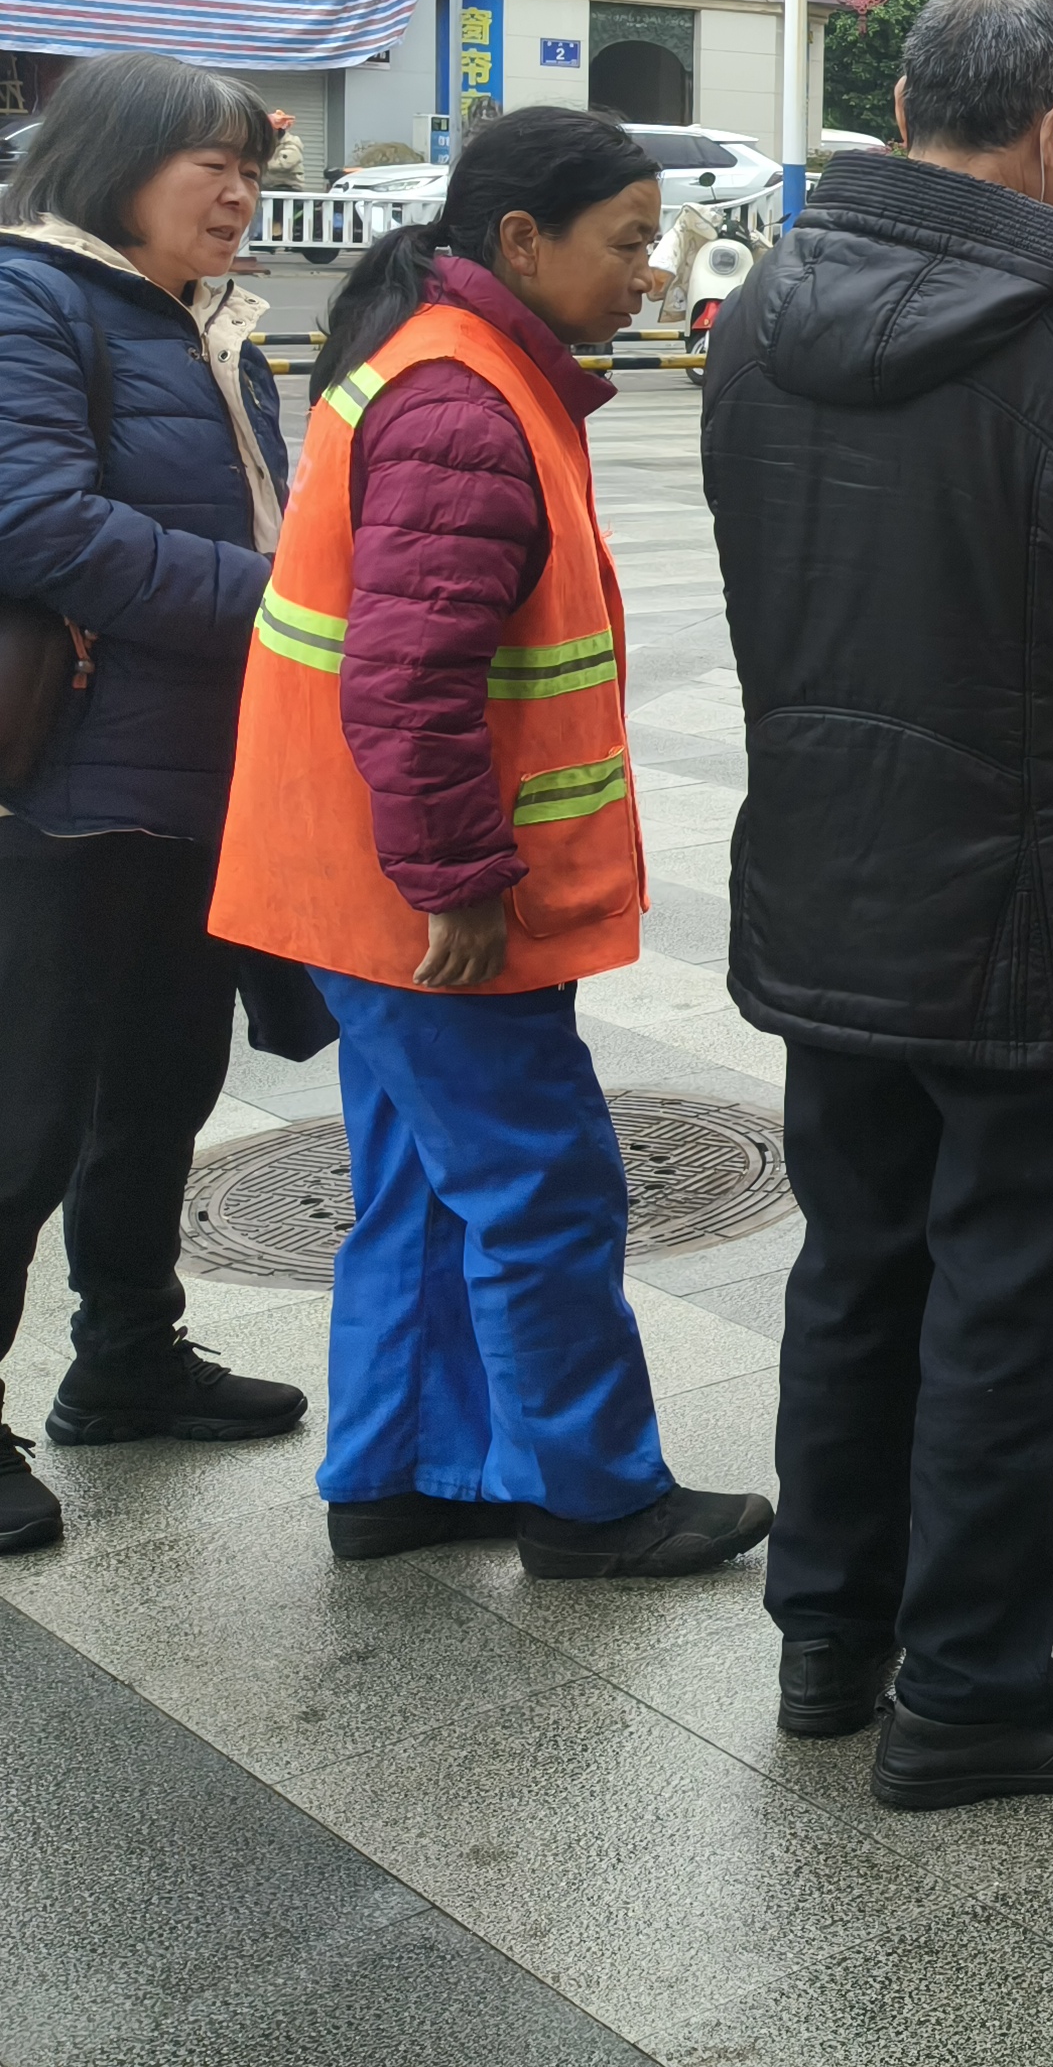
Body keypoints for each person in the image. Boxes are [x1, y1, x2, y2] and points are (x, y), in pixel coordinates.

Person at [701, 0, 1053, 1810]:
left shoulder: (761, 308)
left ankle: (829, 1637)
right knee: (1009, 1283)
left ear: (903, 104)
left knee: (856, 1259)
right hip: (1035, 896)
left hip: (831, 870)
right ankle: (969, 1687)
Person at [211, 109, 768, 1577]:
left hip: (350, 876)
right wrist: (456, 881)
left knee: (419, 1179)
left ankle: (399, 1470)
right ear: (522, 242)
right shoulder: (462, 404)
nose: (652, 273)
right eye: (629, 243)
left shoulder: (458, 368)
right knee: (544, 1184)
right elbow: (409, 681)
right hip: (419, 898)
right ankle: (594, 1499)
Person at [0, 58, 309, 1556]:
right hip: (63, 786)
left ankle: (125, 1355)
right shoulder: (32, 301)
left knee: (163, 1086)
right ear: (113, 161)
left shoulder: (209, 324)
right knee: (23, 1117)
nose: (240, 194)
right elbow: (36, 521)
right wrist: (285, 605)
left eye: (251, 168)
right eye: (211, 165)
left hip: (198, 778)